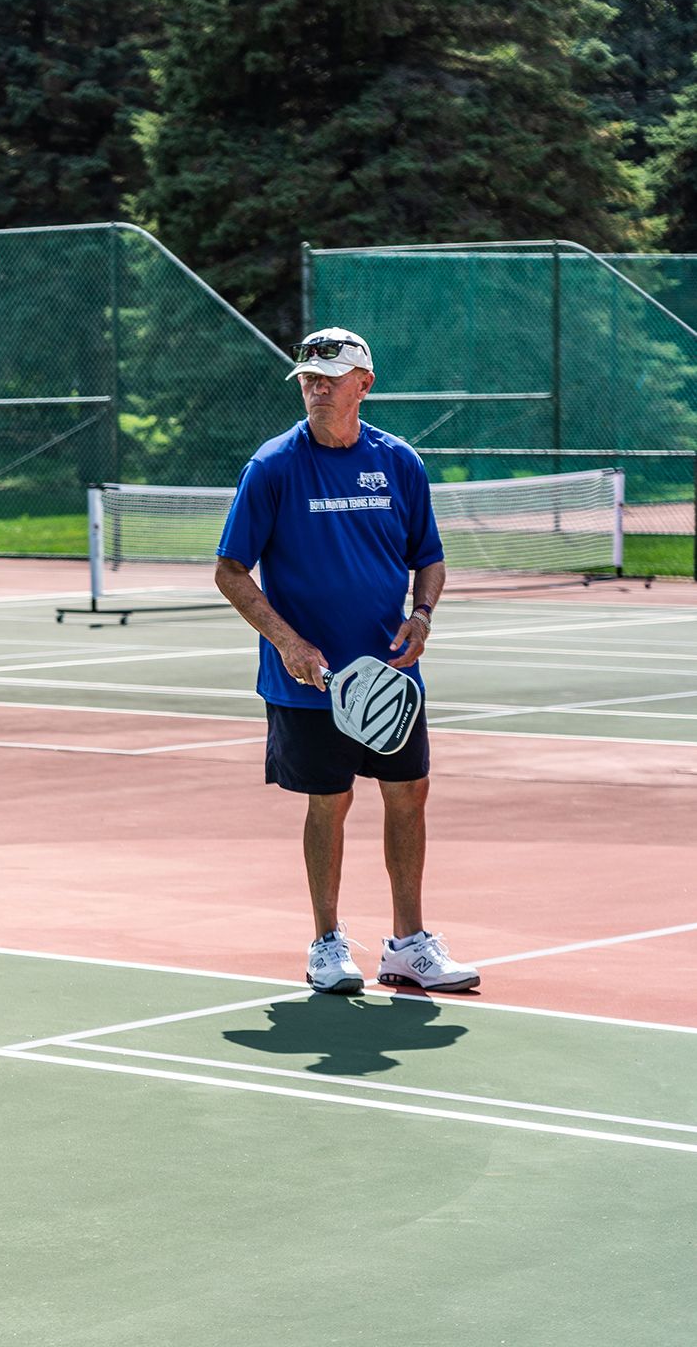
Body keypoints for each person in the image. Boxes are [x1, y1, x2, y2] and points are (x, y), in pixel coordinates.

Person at [213, 328, 479, 997]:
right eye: (308, 376)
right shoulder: (273, 467)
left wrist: (422, 617)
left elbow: (430, 557)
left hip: (389, 683)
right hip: (309, 684)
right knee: (328, 803)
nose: (316, 385)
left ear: (365, 382)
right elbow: (230, 570)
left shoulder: (398, 462)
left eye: (330, 375)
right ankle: (328, 943)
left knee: (408, 796)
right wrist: (287, 641)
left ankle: (409, 947)